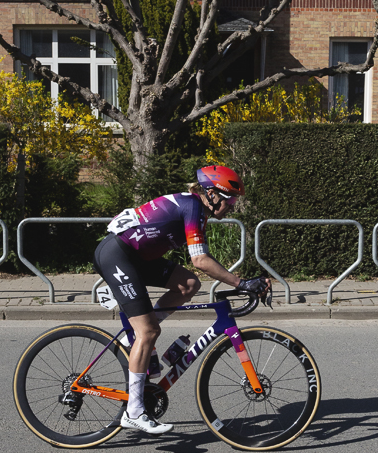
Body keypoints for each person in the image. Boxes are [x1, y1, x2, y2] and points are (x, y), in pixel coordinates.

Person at [94, 165, 269, 435]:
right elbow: (200, 260)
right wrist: (241, 283)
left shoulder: (196, 209)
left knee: (189, 284)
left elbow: (197, 265)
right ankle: (135, 412)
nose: (232, 206)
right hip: (118, 255)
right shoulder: (193, 207)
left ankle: (138, 331)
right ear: (211, 194)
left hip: (136, 258)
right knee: (149, 331)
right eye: (230, 200)